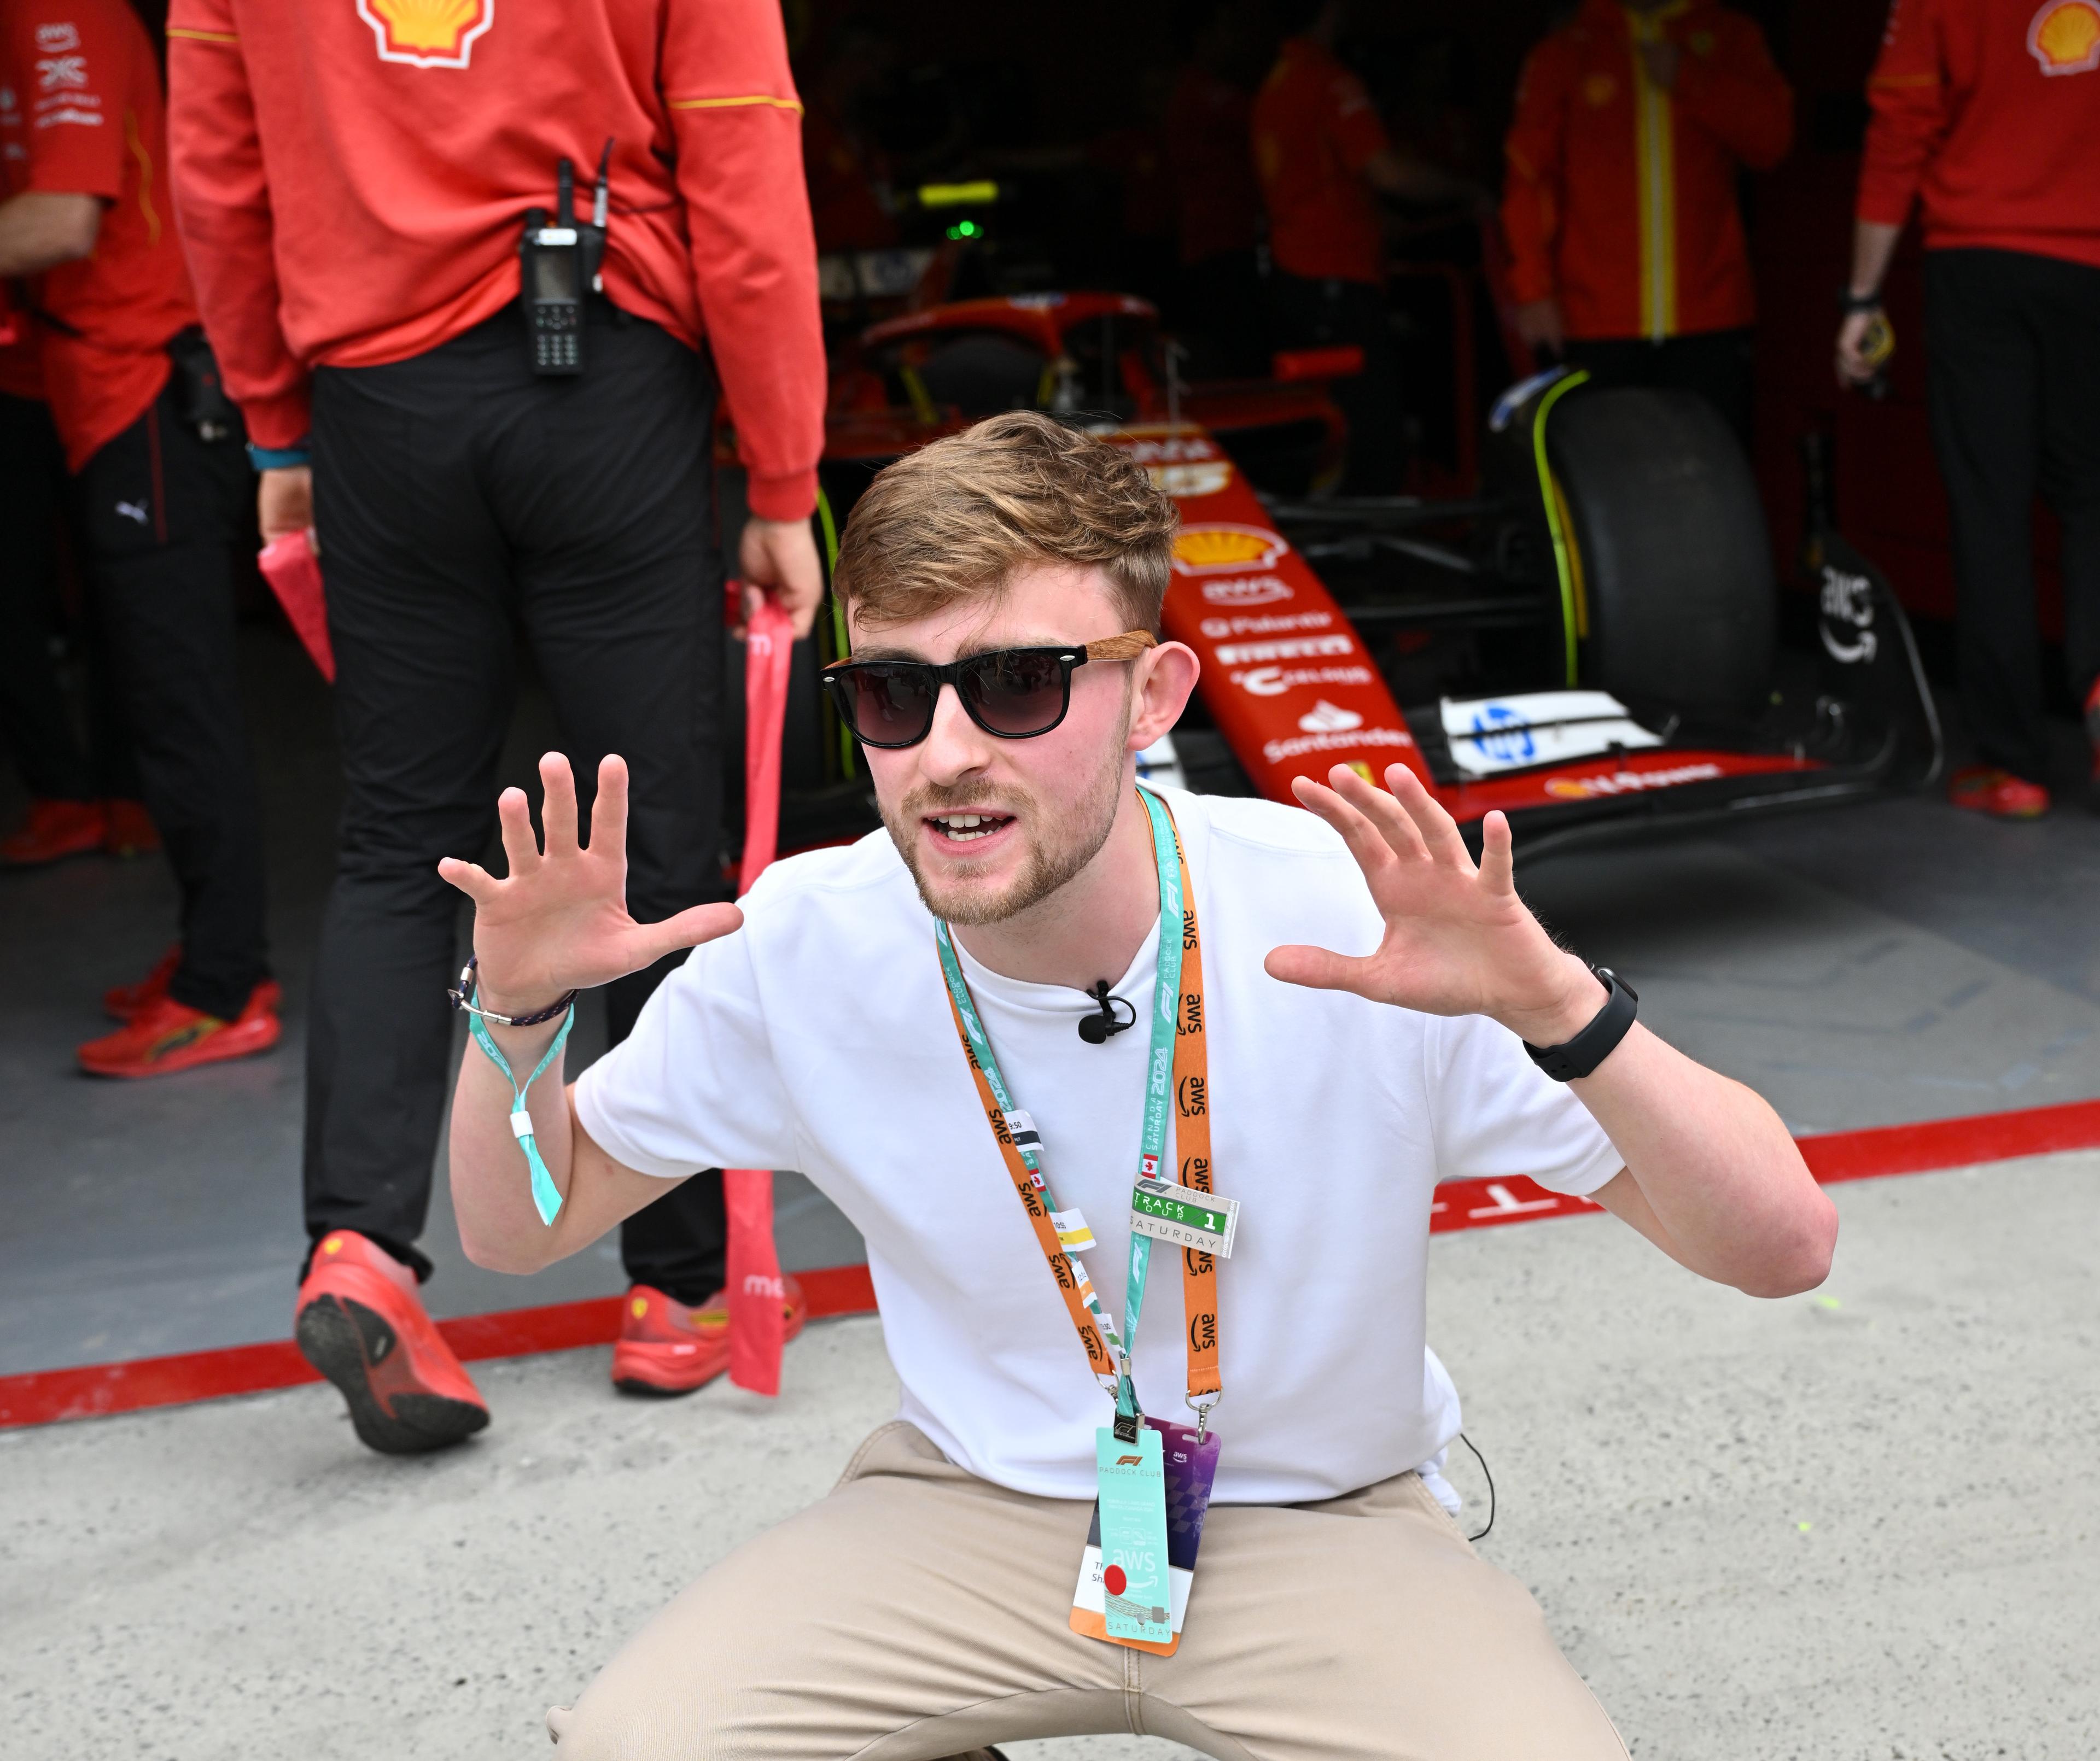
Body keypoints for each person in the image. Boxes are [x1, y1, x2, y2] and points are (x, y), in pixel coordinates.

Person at [441, 411, 1836, 1759]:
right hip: (969, 1512)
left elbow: (1781, 1245)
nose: (945, 755)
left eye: (1017, 684)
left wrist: (1557, 1006)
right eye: (890, 693)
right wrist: (517, 1013)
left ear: (1151, 697)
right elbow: (521, 1228)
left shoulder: (1340, 916)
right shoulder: (804, 939)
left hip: (1318, 1520)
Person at [166, 0, 827, 1443]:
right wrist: (783, 472)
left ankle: (361, 1243)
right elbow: (743, 166)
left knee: (403, 838)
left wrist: (276, 427)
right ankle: (676, 1283)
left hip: (376, 400)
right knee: (659, 839)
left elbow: (217, 178)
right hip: (604, 371)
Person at [0, 0, 276, 1075]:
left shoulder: (57, 13)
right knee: (151, 692)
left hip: (145, 392)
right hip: (101, 389)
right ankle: (210, 950)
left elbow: (63, 219)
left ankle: (227, 983)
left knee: (179, 698)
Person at [1836, 0, 2100, 820]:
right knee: (2097, 497)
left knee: (1990, 507)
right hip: (2093, 266)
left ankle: (2012, 764)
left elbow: (1898, 129)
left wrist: (1862, 295)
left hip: (1978, 261)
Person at [1500, 0, 1792, 449]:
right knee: (1603, 478)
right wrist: (1533, 289)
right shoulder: (1566, 52)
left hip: (1709, 314)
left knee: (1709, 475)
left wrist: (1690, 78)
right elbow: (1529, 178)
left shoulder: (1730, 36)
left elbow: (1772, 141)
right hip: (1596, 320)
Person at [1252, 0, 1483, 494]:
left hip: (1298, 278)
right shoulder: (1329, 80)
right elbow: (1389, 172)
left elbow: (1316, 185)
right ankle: (1374, 553)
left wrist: (1375, 221)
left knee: (1327, 421)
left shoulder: (1277, 82)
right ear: (1332, 11)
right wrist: (1472, 192)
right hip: (1335, 283)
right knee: (1370, 428)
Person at [1165, 0, 1269, 378]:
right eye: (1227, 30)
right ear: (1203, 37)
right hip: (1218, 254)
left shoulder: (1204, 92)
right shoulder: (1200, 94)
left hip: (1227, 250)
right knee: (1235, 365)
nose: (1236, 39)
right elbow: (1269, 114)